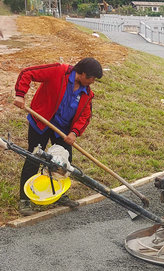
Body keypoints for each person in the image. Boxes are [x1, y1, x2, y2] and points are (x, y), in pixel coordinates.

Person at [14, 57, 103, 215]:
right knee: (34, 158)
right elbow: (28, 73)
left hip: (62, 129)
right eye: (91, 78)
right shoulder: (58, 71)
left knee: (64, 162)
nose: (92, 82)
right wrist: (20, 94)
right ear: (81, 73)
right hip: (40, 122)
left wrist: (74, 132)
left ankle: (60, 195)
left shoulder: (86, 93)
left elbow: (85, 116)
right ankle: (25, 200)